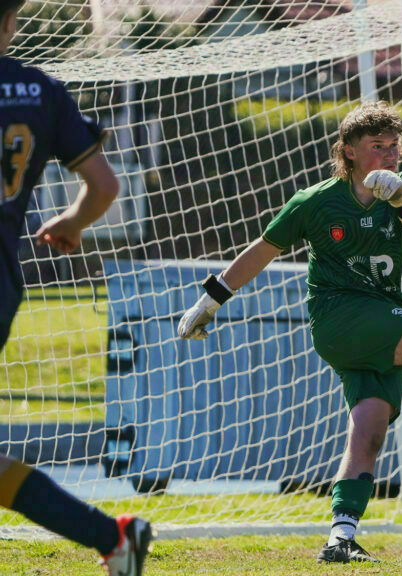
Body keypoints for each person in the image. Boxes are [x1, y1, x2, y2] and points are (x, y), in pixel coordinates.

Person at [177, 101, 402, 564]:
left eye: (395, 146)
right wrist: (210, 299)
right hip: (337, 316)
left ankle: (340, 537)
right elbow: (262, 250)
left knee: (369, 431)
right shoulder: (316, 201)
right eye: (377, 147)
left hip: (383, 317)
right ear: (348, 151)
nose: (390, 156)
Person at [0, 1, 152, 574]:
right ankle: (112, 538)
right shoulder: (41, 91)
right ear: (11, 24)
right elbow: (104, 184)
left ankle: (111, 537)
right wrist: (71, 224)